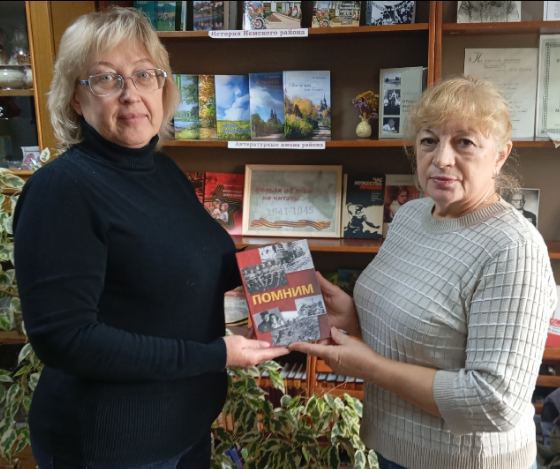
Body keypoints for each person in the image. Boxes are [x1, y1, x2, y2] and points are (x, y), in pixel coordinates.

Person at [13, 8, 288, 469]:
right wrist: (214, 355)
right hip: (110, 444)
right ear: (76, 97)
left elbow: (190, 261)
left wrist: (285, 276)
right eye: (106, 78)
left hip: (184, 430)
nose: (131, 94)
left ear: (163, 86)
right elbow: (67, 340)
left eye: (144, 74)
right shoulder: (62, 190)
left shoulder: (161, 168)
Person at [290, 76, 557, 469]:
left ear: (500, 155)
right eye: (429, 140)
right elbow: (426, 334)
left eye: (465, 142)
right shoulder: (413, 214)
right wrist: (355, 318)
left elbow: (494, 403)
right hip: (393, 448)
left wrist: (369, 367)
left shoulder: (514, 248)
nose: (442, 158)